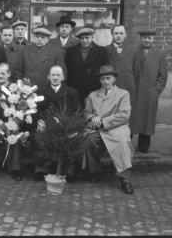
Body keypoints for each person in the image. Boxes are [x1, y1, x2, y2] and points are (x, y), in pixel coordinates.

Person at [82, 65, 134, 194]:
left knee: (123, 142)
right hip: (97, 129)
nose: (105, 81)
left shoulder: (123, 94)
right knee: (89, 140)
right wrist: (92, 117)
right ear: (99, 80)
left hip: (117, 127)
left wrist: (103, 122)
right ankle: (95, 171)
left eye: (108, 78)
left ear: (114, 79)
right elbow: (86, 113)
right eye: (103, 79)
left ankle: (125, 179)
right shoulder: (93, 95)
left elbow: (124, 115)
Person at [33, 65, 81, 181]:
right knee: (38, 136)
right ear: (48, 77)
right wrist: (39, 120)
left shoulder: (71, 92)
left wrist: (67, 123)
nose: (55, 77)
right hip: (46, 124)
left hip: (64, 125)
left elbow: (76, 112)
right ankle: (42, 169)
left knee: (71, 137)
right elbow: (35, 110)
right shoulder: (40, 92)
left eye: (58, 75)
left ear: (63, 77)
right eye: (53, 75)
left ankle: (67, 170)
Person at [132, 30, 168, 153]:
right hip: (135, 92)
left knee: (147, 119)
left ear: (153, 39)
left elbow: (163, 75)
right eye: (144, 38)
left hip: (150, 92)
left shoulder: (160, 54)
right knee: (131, 117)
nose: (147, 40)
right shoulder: (134, 52)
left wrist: (156, 91)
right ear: (141, 38)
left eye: (149, 38)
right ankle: (126, 143)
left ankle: (144, 145)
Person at [64, 27, 110, 106]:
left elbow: (106, 72)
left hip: (94, 89)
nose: (84, 40)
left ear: (92, 37)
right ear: (78, 39)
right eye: (82, 38)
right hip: (75, 90)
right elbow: (66, 70)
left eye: (87, 38)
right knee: (76, 114)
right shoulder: (70, 51)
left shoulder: (102, 51)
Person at [105, 25, 140, 128]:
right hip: (112, 88)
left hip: (128, 87)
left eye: (121, 33)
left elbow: (136, 71)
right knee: (112, 114)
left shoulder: (133, 50)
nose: (118, 36)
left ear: (125, 35)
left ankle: (127, 139)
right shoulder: (106, 50)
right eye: (116, 33)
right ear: (112, 34)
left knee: (127, 114)